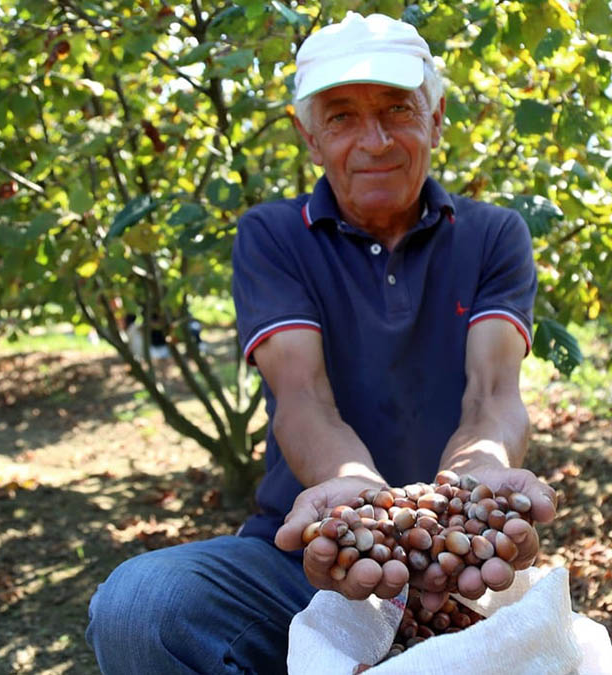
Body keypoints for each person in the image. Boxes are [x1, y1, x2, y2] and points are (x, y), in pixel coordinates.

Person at [86, 12, 557, 674]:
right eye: (341, 118)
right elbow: (303, 395)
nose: (375, 141)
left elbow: (492, 393)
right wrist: (353, 491)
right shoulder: (274, 236)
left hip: (457, 564)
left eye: (397, 110)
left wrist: (475, 478)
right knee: (140, 606)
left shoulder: (493, 235)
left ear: (436, 118)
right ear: (309, 138)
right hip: (312, 554)